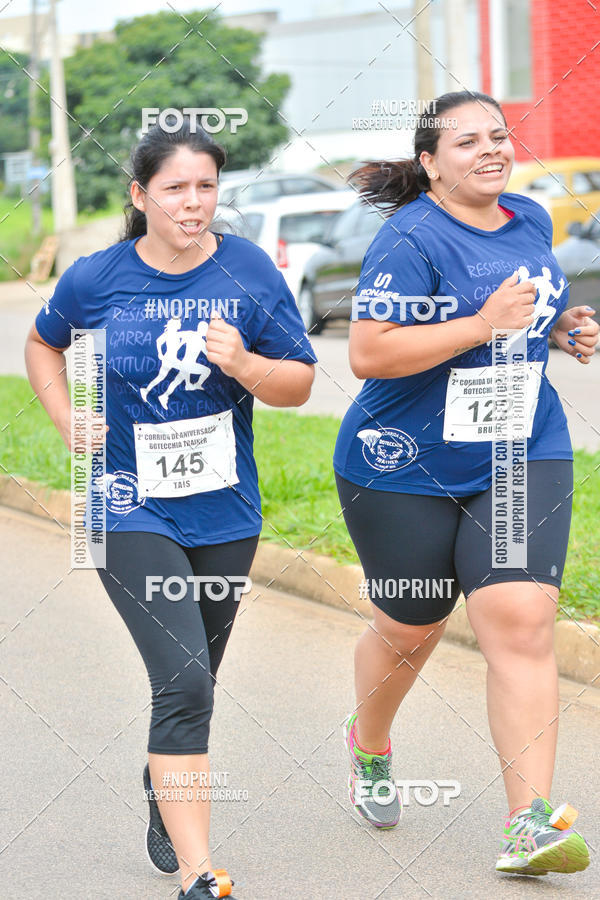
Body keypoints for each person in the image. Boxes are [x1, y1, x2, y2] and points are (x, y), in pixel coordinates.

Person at [25, 121, 316, 899]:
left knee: (197, 682)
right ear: (140, 195)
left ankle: (164, 787)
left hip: (226, 511)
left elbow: (298, 384)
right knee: (185, 681)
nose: (194, 203)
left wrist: (246, 363)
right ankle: (199, 873)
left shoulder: (250, 270)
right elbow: (41, 344)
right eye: (176, 188)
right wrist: (64, 415)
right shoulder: (97, 276)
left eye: (207, 187)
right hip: (127, 505)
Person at [333, 90, 597, 877]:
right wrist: (485, 323)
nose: (491, 150)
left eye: (499, 136)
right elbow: (371, 355)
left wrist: (559, 327)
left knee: (519, 616)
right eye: (467, 143)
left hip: (521, 444)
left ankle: (529, 825)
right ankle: (370, 743)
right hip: (403, 461)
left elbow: (526, 306)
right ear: (429, 164)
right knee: (412, 625)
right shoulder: (408, 238)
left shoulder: (529, 220)